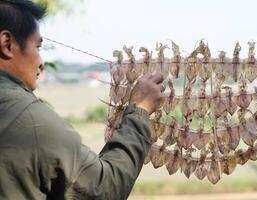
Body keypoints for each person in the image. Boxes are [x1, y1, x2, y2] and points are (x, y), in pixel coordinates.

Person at [0, 0, 165, 199]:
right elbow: (104, 187)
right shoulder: (29, 120)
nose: (41, 62)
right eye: (38, 46)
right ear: (7, 44)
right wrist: (140, 110)